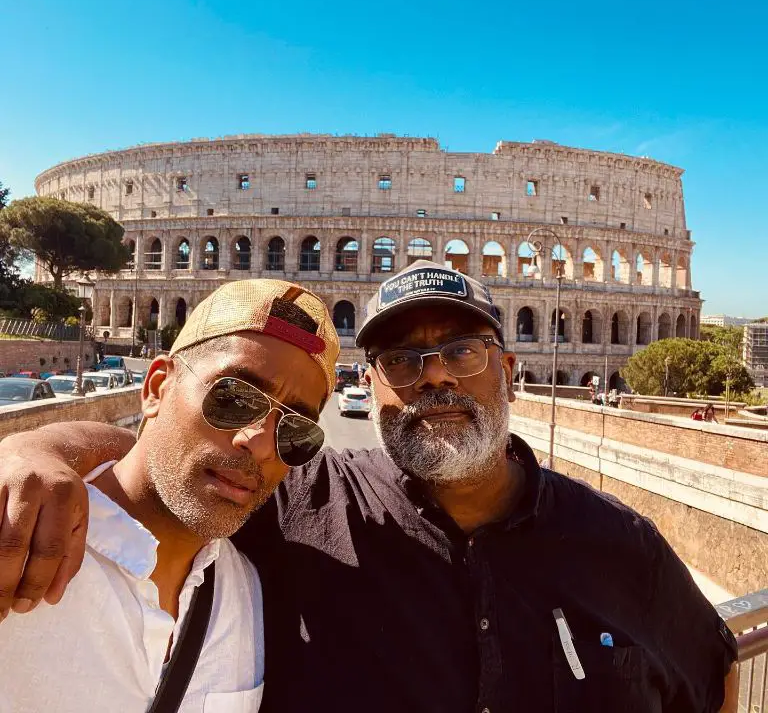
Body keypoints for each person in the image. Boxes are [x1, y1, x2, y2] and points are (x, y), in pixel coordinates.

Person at [0, 260, 739, 712]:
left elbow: (714, 675)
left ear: (509, 371)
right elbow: (171, 462)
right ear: (371, 385)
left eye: (465, 351)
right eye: (404, 361)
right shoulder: (293, 500)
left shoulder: (624, 546)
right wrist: (35, 448)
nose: (438, 375)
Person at [0, 278, 338, 712]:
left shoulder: (251, 594)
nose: (259, 443)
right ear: (157, 388)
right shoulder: (17, 533)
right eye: (233, 398)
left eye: (294, 431)